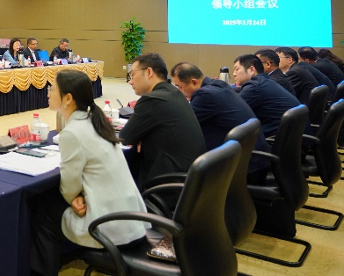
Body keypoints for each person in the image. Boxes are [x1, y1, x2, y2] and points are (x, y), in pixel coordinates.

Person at [30, 70, 147, 276]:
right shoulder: (96, 121)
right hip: (132, 222)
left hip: (110, 230)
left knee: (42, 210)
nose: (48, 93)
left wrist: (74, 197)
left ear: (68, 98)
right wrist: (77, 196)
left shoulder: (72, 132)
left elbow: (69, 186)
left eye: (53, 89)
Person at [171, 62, 270, 181]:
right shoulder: (219, 84)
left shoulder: (204, 95)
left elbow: (181, 124)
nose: (180, 92)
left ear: (194, 82)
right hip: (255, 161)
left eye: (180, 87)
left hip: (244, 169)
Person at [119, 53, 205, 190]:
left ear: (149, 72)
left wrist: (138, 136)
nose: (130, 81)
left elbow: (125, 137)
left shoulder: (152, 99)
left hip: (168, 186)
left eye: (133, 75)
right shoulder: (174, 93)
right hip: (189, 181)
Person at [233, 54, 300, 138]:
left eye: (237, 69)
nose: (234, 74)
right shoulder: (265, 80)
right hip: (292, 137)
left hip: (274, 139)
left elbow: (233, 111)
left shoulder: (254, 86)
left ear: (251, 69)